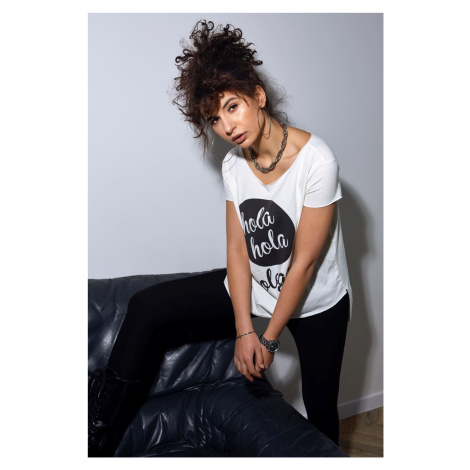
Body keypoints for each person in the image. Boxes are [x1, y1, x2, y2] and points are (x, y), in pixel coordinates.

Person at [88, 19, 352, 457]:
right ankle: (96, 438)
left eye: (232, 106)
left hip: (315, 301)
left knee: (321, 408)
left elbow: (304, 264)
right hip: (259, 287)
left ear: (258, 97)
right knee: (148, 306)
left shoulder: (317, 162)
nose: (227, 125)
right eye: (215, 118)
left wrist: (268, 339)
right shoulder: (234, 165)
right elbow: (237, 248)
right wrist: (244, 328)